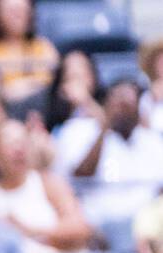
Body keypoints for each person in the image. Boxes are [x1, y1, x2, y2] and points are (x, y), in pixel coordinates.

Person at [54, 77, 163, 227]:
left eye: (130, 105)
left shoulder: (151, 140)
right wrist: (105, 127)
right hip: (95, 225)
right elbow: (81, 173)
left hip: (146, 228)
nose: (123, 111)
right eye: (119, 104)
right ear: (106, 103)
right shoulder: (79, 130)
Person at [0, 119, 94, 253]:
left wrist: (30, 231)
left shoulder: (48, 183)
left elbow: (80, 228)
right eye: (10, 143)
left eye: (22, 142)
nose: (19, 149)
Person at [0, 0, 58, 109]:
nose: (18, 17)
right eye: (12, 12)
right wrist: (30, 84)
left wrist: (14, 88)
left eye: (22, 11)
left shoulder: (43, 46)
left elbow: (47, 83)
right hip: (1, 110)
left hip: (40, 108)